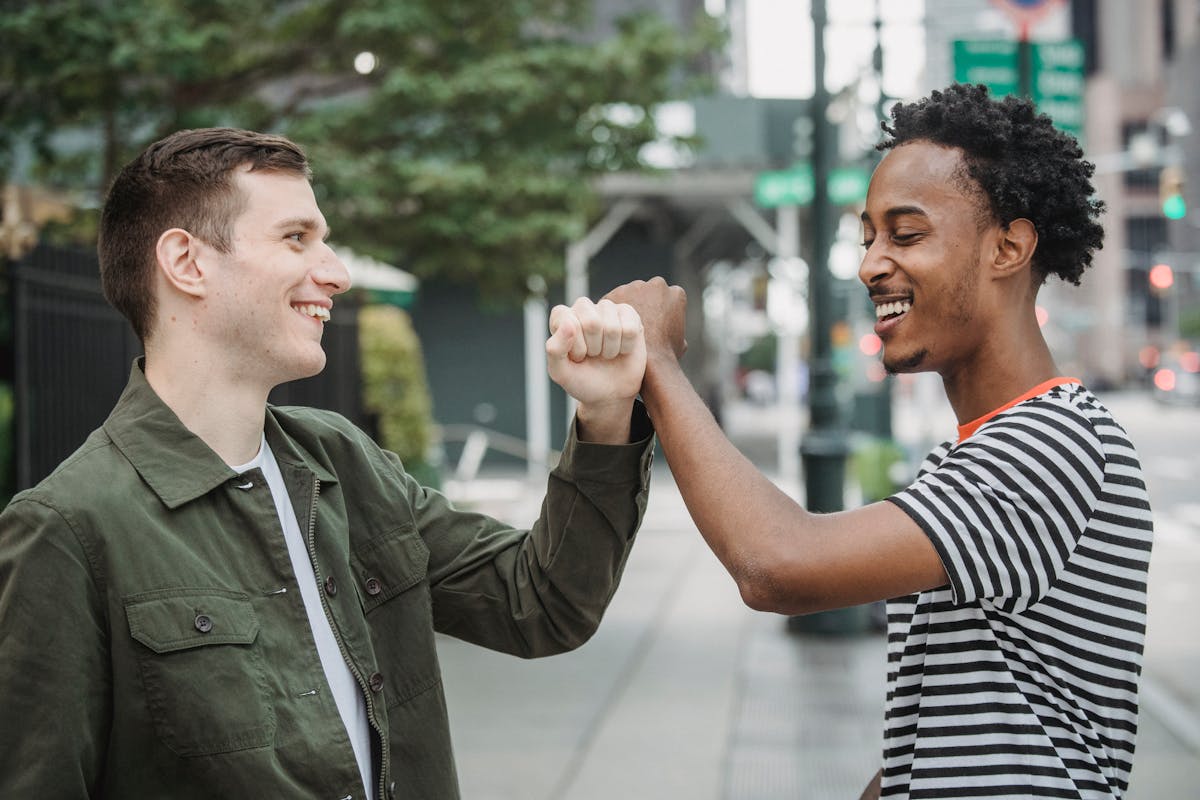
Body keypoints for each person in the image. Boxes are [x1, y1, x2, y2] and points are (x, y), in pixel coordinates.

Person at [0, 127, 654, 799]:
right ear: (187, 264)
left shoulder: (344, 463)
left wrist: (605, 417)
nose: (336, 272)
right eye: (296, 238)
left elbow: (541, 603)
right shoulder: (69, 531)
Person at [608, 84, 1153, 799]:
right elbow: (937, 737)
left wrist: (660, 366)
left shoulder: (1054, 443)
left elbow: (778, 566)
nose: (869, 264)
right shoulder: (975, 456)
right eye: (867, 236)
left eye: (905, 233)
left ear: (1009, 248)